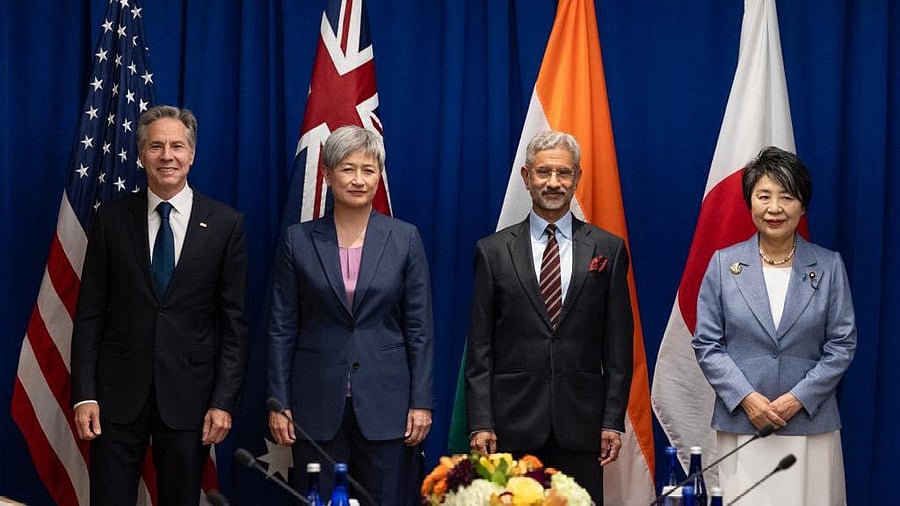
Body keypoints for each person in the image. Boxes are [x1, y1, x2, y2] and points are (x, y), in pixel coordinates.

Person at [70, 105, 248, 505]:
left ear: (192, 154)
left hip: (190, 398)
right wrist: (84, 394)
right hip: (116, 397)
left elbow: (234, 324)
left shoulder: (225, 224)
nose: (167, 156)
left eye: (176, 146)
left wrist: (223, 401)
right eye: (156, 146)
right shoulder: (111, 219)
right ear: (140, 155)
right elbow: (89, 316)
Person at [267, 125, 434, 505]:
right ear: (327, 175)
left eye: (368, 169)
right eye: (347, 169)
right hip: (315, 404)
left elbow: (420, 327)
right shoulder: (298, 240)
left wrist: (421, 401)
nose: (358, 179)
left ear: (379, 177)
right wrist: (279, 401)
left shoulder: (405, 238)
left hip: (387, 405)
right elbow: (281, 327)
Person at [465, 130, 634, 504]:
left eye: (563, 173)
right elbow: (480, 348)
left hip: (583, 424)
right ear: (526, 178)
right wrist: (481, 422)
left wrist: (611, 420)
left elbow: (619, 349)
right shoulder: (492, 252)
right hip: (511, 425)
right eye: (543, 173)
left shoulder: (608, 249)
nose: (553, 183)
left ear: (577, 178)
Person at [692, 146, 856, 505]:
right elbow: (706, 343)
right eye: (764, 196)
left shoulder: (828, 266)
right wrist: (747, 399)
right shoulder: (723, 265)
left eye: (787, 197)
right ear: (750, 203)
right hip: (743, 422)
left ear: (803, 205)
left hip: (810, 424)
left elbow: (841, 345)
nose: (775, 208)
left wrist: (797, 399)